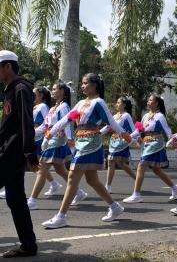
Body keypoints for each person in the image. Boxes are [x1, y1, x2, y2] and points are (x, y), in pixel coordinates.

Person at [41, 73, 128, 228]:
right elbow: (65, 119)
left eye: (85, 83)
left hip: (91, 142)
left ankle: (61, 216)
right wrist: (49, 135)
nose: (82, 86)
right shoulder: (81, 103)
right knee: (92, 180)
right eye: (82, 83)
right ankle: (115, 207)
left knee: (73, 176)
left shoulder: (99, 102)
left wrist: (125, 134)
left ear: (94, 85)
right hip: (81, 141)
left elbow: (110, 121)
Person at [0, 50, 38, 258]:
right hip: (9, 151)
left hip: (11, 153)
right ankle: (28, 245)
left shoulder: (21, 89)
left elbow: (26, 122)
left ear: (7, 66)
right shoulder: (11, 89)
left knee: (16, 199)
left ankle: (29, 244)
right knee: (16, 199)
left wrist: (29, 152)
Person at [27, 82, 87, 210]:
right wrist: (31, 132)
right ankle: (79, 192)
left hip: (56, 140)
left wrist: (70, 140)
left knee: (42, 168)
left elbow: (66, 123)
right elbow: (45, 125)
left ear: (62, 92)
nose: (52, 91)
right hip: (50, 139)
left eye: (55, 89)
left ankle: (32, 200)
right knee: (60, 170)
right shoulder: (53, 107)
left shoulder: (64, 106)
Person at [123, 95, 177, 203]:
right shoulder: (145, 116)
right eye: (148, 100)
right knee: (157, 170)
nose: (148, 102)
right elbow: (139, 130)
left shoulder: (160, 116)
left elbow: (167, 131)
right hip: (146, 143)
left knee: (141, 165)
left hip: (155, 142)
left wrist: (174, 144)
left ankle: (136, 194)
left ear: (157, 103)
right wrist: (129, 136)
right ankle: (175, 188)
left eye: (150, 100)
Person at [101, 97, 136, 194]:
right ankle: (137, 179)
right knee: (120, 163)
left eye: (118, 102)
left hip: (122, 142)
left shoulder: (126, 116)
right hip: (114, 141)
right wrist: (98, 133)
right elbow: (108, 127)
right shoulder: (115, 116)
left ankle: (108, 185)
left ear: (124, 105)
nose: (116, 104)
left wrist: (133, 139)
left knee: (112, 161)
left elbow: (133, 129)